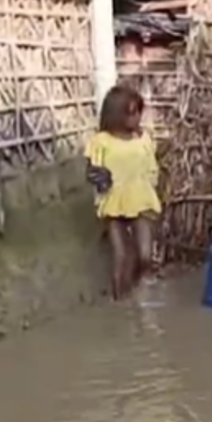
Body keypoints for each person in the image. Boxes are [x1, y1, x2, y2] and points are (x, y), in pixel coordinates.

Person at [85, 85, 161, 300]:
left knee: (145, 255)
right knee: (120, 255)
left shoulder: (143, 140)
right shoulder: (101, 142)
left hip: (141, 198)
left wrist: (152, 190)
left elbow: (151, 169)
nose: (137, 118)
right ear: (117, 114)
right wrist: (99, 177)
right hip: (113, 200)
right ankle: (120, 301)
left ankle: (138, 293)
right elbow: (90, 171)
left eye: (138, 112)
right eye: (132, 112)